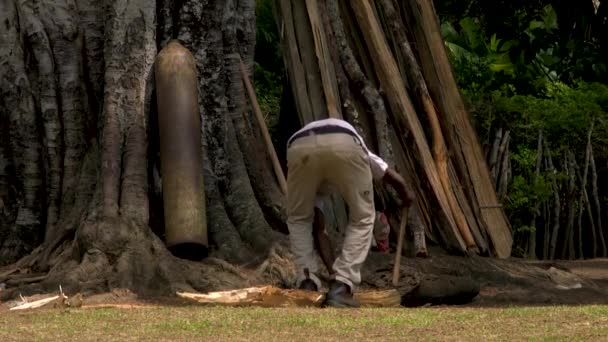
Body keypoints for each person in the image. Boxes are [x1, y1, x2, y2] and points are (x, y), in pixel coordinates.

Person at [286, 118, 413, 308]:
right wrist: (406, 194)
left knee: (299, 219)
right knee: (363, 218)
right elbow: (387, 173)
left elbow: (317, 228)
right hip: (342, 141)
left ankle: (307, 283)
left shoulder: (314, 180)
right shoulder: (355, 145)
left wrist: (332, 271)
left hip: (298, 146)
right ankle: (341, 288)